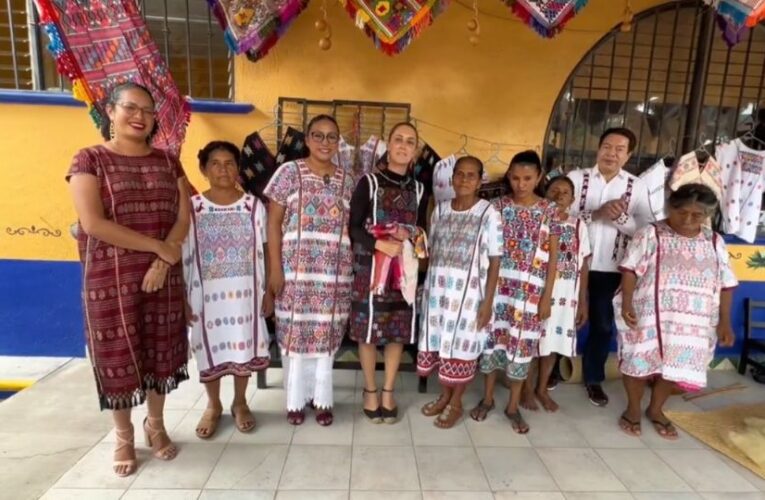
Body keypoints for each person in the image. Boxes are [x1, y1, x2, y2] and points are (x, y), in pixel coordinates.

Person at [67, 82, 190, 476]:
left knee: (161, 352)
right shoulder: (89, 160)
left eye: (148, 111)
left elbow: (183, 215)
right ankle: (122, 435)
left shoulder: (169, 162)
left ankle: (155, 424)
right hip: (110, 279)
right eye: (130, 108)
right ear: (110, 111)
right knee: (119, 356)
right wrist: (157, 248)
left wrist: (163, 259)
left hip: (163, 276)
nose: (140, 116)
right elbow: (93, 223)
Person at [615, 183, 736, 439]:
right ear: (671, 207)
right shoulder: (651, 234)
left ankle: (656, 410)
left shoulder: (715, 241)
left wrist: (725, 322)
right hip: (647, 313)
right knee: (637, 360)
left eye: (698, 215)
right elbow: (630, 270)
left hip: (693, 322)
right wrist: (627, 303)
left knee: (674, 365)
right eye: (683, 212)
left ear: (708, 216)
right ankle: (633, 409)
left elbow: (726, 284)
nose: (689, 220)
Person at [264, 114, 355, 426]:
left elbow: (353, 228)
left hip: (334, 277)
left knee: (325, 337)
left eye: (332, 137)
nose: (325, 142)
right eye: (318, 135)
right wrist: (275, 270)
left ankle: (322, 400)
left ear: (338, 142)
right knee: (295, 335)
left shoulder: (348, 179)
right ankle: (296, 401)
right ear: (307, 139)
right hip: (295, 274)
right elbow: (273, 224)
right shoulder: (288, 173)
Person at [183, 141, 272, 439]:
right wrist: (184, 298)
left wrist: (268, 292)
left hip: (245, 295)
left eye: (230, 163)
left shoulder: (253, 206)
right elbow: (184, 254)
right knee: (209, 350)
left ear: (238, 168)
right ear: (204, 169)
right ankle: (213, 405)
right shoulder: (193, 208)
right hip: (205, 297)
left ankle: (240, 402)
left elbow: (266, 248)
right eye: (216, 164)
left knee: (243, 345)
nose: (223, 169)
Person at [470, 150, 559, 434]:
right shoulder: (495, 207)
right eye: (516, 178)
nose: (521, 184)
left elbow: (554, 257)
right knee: (492, 343)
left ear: (539, 178)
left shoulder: (549, 210)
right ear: (509, 176)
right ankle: (486, 399)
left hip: (530, 293)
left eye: (528, 178)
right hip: (497, 290)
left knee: (522, 348)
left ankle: (512, 406)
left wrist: (546, 297)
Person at [349, 122, 428, 424]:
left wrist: (416, 261)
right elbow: (354, 227)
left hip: (403, 271)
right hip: (371, 269)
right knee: (368, 332)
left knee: (397, 332)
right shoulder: (368, 182)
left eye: (410, 141)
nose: (404, 145)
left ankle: (388, 390)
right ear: (388, 145)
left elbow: (420, 230)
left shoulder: (419, 189)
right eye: (398, 139)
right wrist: (379, 243)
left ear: (415, 151)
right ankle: (370, 390)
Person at [568, 127, 653, 407]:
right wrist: (596, 214)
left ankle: (593, 379)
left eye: (619, 149)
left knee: (603, 325)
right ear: (598, 148)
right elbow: (555, 215)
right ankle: (553, 371)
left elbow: (644, 229)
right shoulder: (575, 179)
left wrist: (619, 219)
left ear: (628, 155)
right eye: (607, 146)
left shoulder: (636, 186)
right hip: (570, 264)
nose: (611, 153)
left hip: (612, 268)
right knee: (560, 318)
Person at [418, 156, 502, 428]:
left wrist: (487, 303)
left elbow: (496, 259)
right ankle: (444, 396)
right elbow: (430, 251)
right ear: (452, 177)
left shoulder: (488, 213)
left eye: (471, 175)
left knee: (462, 348)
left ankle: (456, 403)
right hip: (439, 294)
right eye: (460, 174)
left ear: (480, 181)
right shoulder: (440, 210)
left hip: (469, 298)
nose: (464, 179)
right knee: (443, 344)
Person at [534, 176, 591, 412]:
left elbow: (583, 263)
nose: (558, 196)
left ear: (573, 199)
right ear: (544, 193)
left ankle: (541, 389)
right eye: (554, 190)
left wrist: (582, 302)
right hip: (537, 290)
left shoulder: (579, 226)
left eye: (565, 192)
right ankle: (526, 389)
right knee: (532, 341)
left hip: (567, 294)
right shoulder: (538, 220)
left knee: (553, 344)